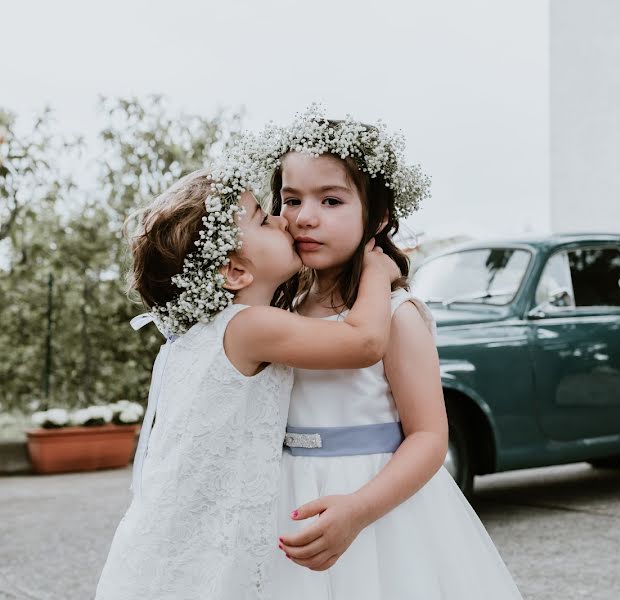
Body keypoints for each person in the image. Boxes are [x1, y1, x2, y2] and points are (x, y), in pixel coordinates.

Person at [94, 160, 400, 600]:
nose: (282, 218)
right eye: (262, 218)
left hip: (179, 536)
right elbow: (365, 342)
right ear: (236, 272)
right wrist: (377, 271)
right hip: (207, 547)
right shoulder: (250, 327)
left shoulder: (207, 333)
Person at [268, 108, 523, 599]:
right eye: (291, 199)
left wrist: (359, 510)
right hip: (288, 501)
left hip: (376, 507)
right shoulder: (282, 306)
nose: (305, 216)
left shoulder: (396, 314)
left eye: (332, 200)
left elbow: (429, 436)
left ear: (378, 217)